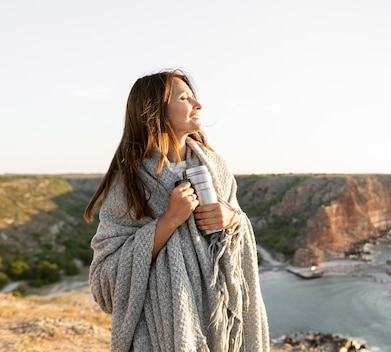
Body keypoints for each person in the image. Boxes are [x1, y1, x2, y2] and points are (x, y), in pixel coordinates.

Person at [84, 69, 269, 351]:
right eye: (184, 98)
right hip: (159, 334)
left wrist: (233, 219)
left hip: (220, 328)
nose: (198, 105)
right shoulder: (130, 183)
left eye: (194, 97)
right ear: (155, 112)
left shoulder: (216, 167)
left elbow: (236, 233)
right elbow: (104, 283)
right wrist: (169, 220)